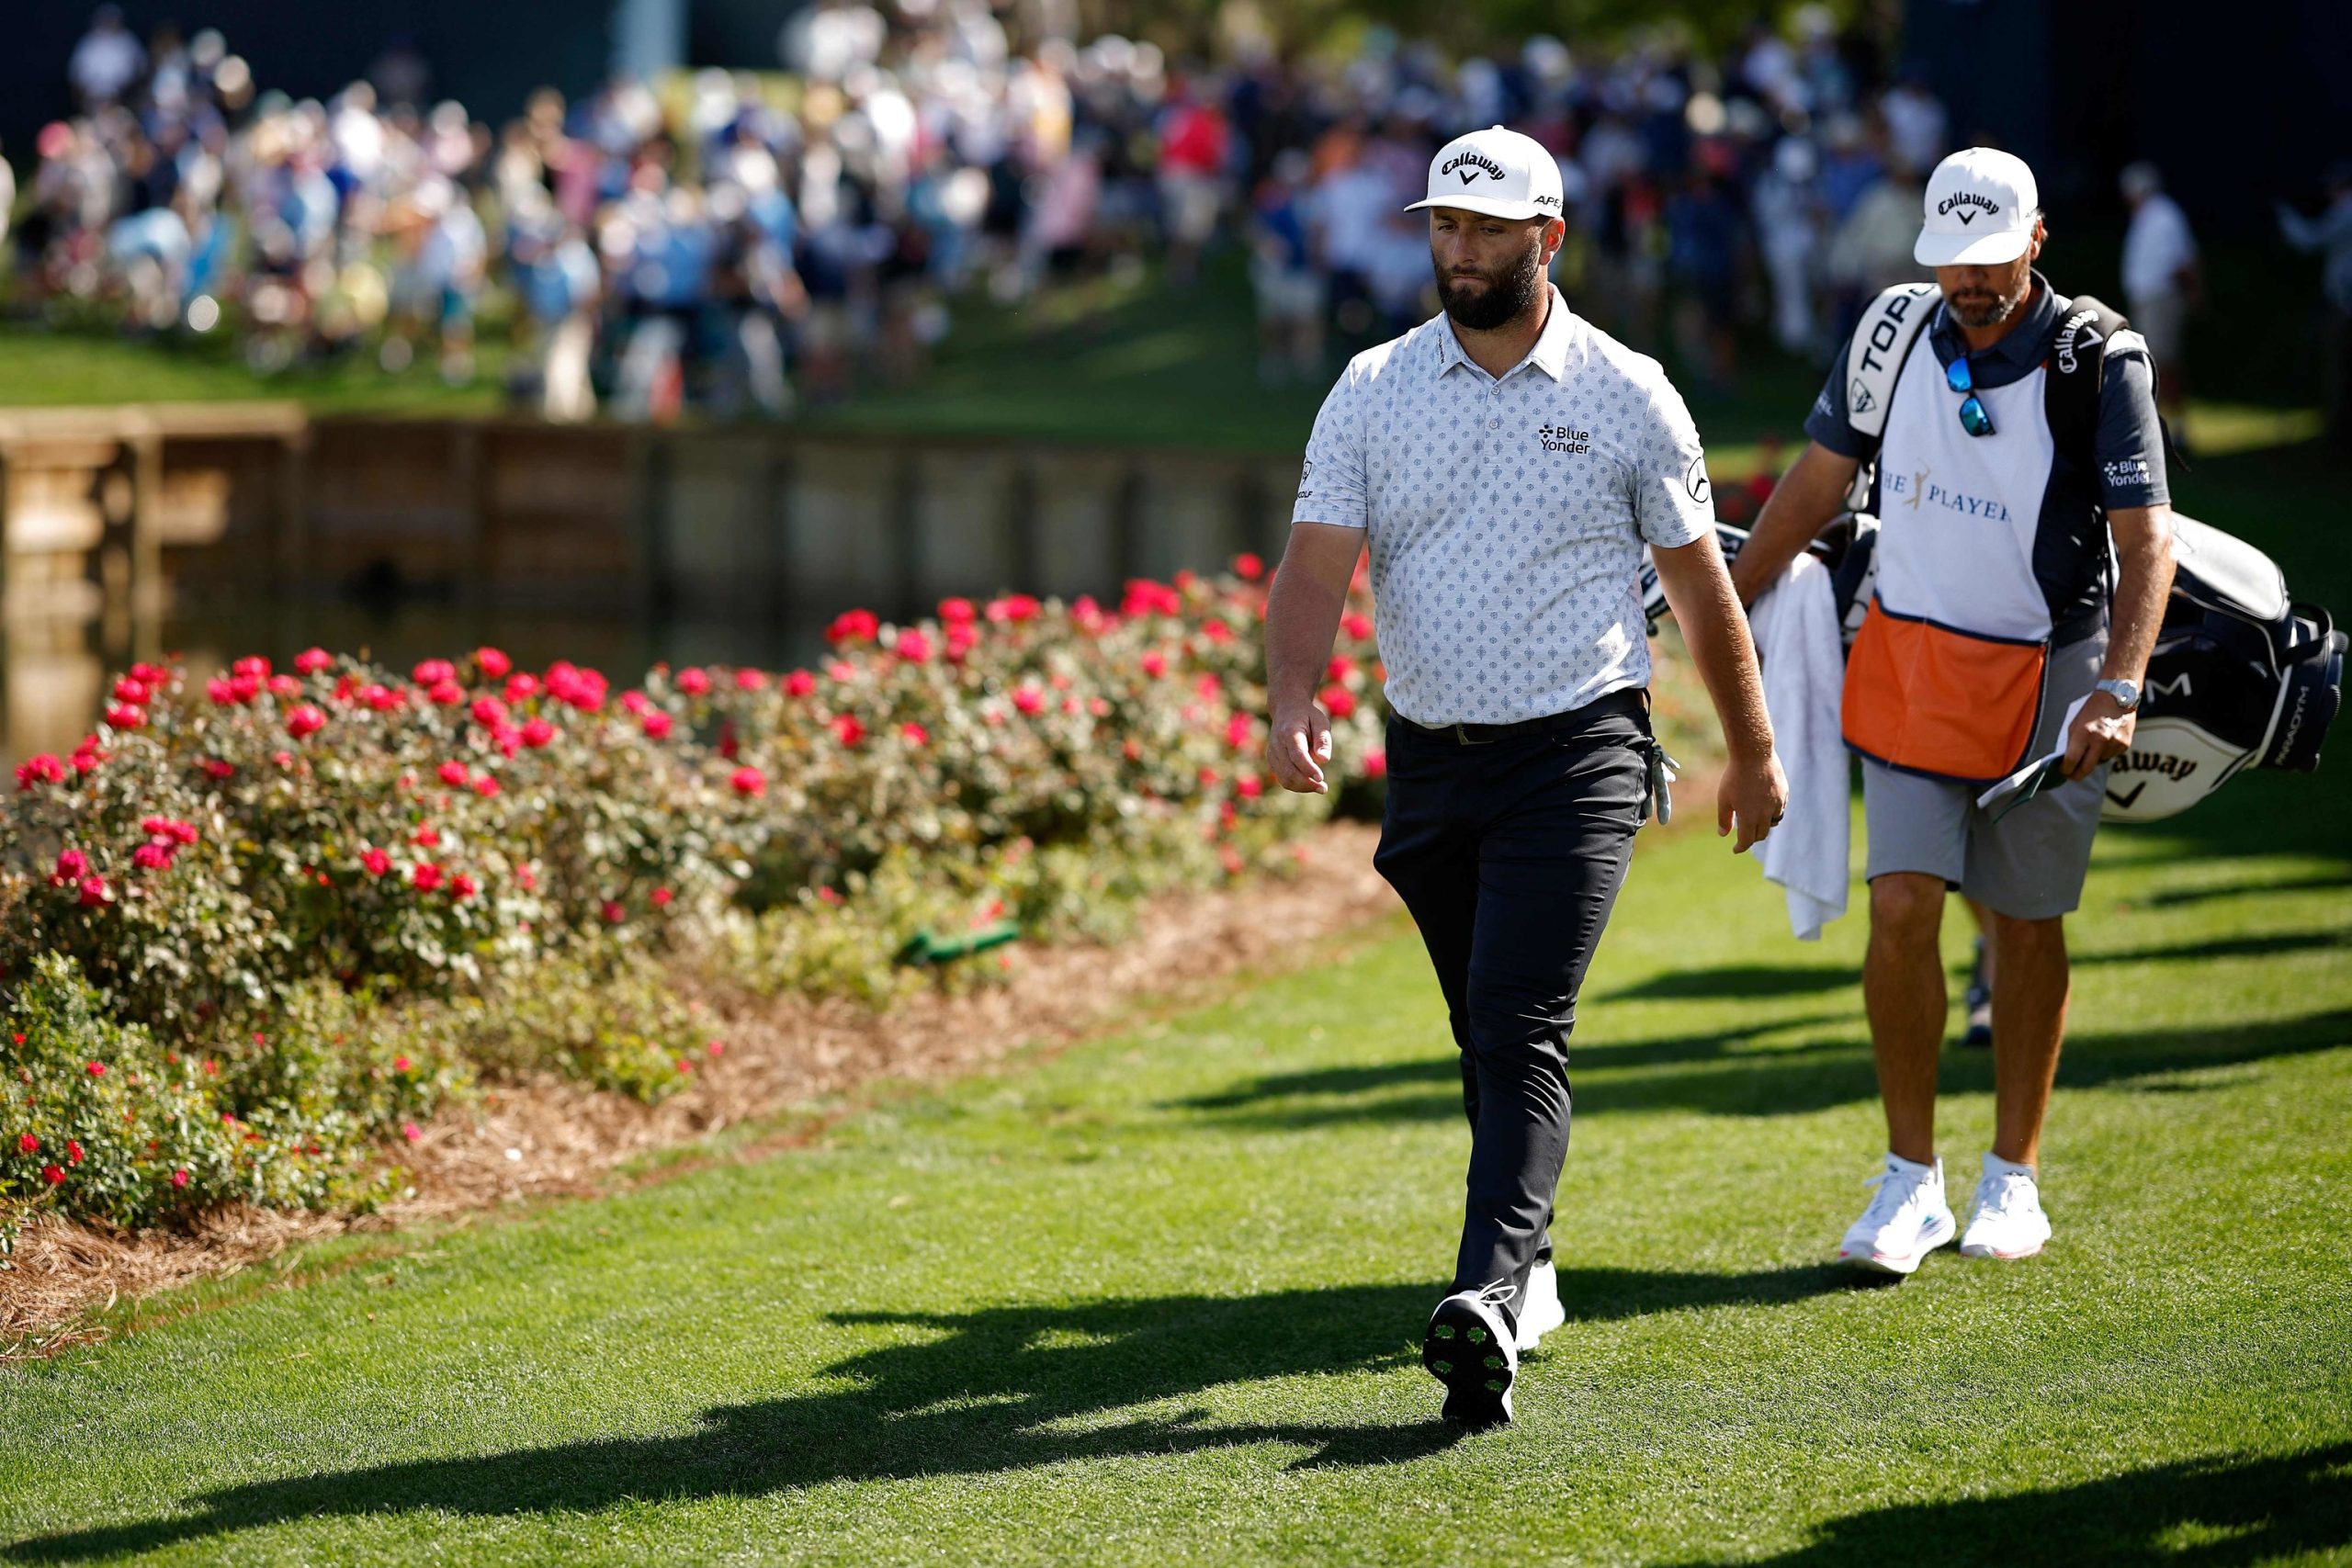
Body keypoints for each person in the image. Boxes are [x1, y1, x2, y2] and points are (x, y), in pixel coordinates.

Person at [1264, 125, 1788, 1428]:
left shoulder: (1627, 390)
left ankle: (1488, 1297)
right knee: (1485, 1029)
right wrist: (1289, 699)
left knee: (1514, 1020)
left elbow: (1700, 586)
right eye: (1446, 226)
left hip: (1580, 747)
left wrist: (1757, 749)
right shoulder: (1373, 386)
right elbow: (1317, 564)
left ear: (1549, 239)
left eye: (1490, 230)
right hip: (1429, 756)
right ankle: (1533, 1256)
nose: (1462, 250)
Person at [1731, 148, 2177, 1276]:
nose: (1967, 286)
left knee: (2025, 924)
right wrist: (1722, 606)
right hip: (1912, 661)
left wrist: (2118, 687)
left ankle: (2012, 1177)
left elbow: (2144, 539)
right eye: (1950, 265)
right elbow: (1822, 478)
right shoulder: (1892, 329)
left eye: (1988, 261)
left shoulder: (2097, 356)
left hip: (2050, 669)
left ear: (2033, 243)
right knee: (1900, 913)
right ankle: (1908, 1182)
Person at [2119, 163, 2199, 436]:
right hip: (2149, 300)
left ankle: (2176, 429)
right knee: (2152, 363)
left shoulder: (2164, 215)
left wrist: (2193, 293)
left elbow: (2182, 261)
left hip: (2161, 299)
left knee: (2164, 364)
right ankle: (2161, 426)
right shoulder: (2146, 216)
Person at [2278, 164, 2352, 453]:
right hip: (2342, 303)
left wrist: (2285, 215)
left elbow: (2309, 239)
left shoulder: (2346, 210)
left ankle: (2338, 439)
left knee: (2338, 371)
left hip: (2344, 306)